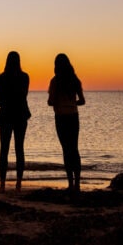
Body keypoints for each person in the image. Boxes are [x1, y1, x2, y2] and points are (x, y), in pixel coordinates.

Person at [0, 50, 30, 192]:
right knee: (19, 149)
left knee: (4, 150)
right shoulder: (25, 77)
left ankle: (2, 185)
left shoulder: (1, 78)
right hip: (21, 116)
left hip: (6, 117)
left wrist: (5, 97)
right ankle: (18, 184)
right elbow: (23, 96)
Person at [47, 52, 85, 193]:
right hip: (73, 116)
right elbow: (82, 101)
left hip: (61, 117)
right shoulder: (75, 80)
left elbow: (51, 101)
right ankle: (77, 183)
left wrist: (57, 102)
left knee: (66, 150)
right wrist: (71, 103)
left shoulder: (55, 81)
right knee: (74, 149)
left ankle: (70, 183)